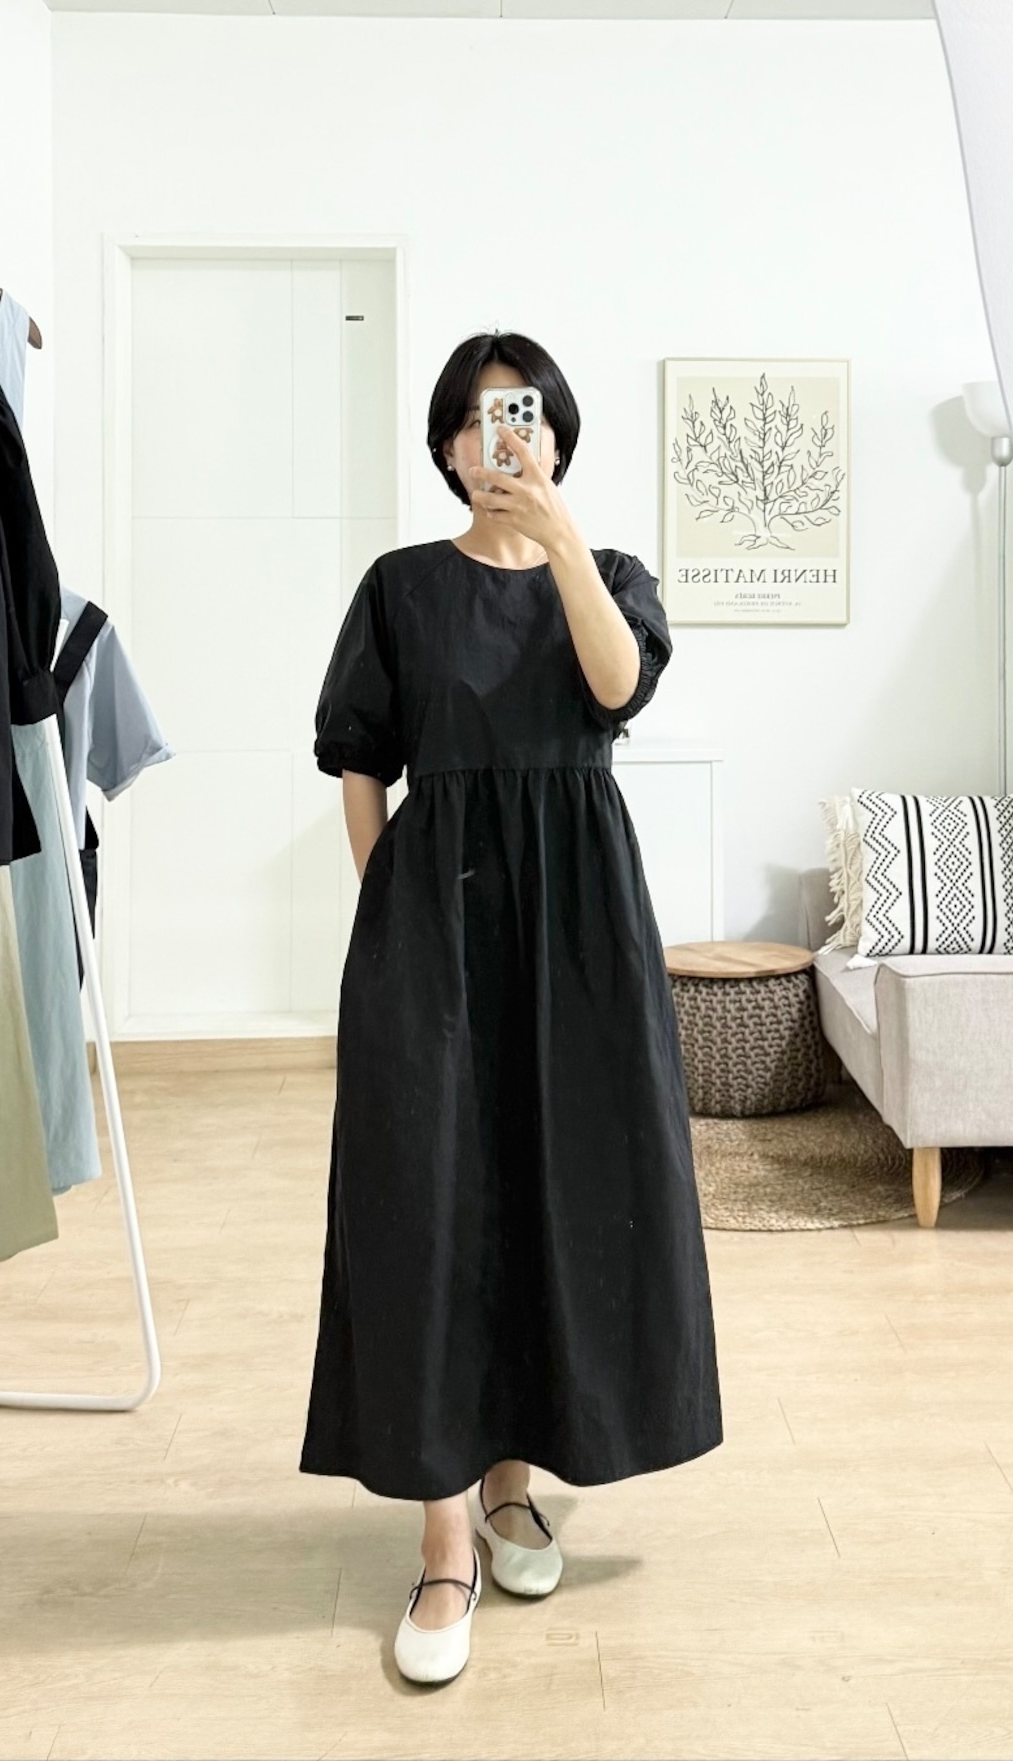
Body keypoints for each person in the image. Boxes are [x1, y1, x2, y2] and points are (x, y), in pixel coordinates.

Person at [299, 331, 723, 1684]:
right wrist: (390, 914)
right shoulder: (401, 588)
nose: (505, 437)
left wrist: (561, 540)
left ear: (557, 436)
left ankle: (511, 1482)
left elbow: (614, 686)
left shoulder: (613, 576)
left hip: (580, 933)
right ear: (446, 446)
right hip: (434, 929)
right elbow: (359, 760)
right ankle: (443, 1542)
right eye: (481, 419)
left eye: (524, 416)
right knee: (429, 1204)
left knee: (555, 1189)